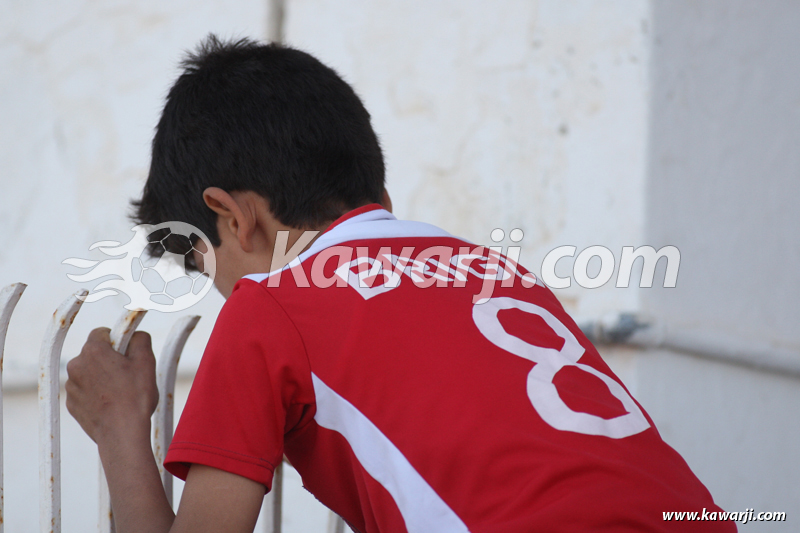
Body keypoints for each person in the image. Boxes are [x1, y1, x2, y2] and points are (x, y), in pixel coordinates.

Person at [65, 35, 735, 533]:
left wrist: (121, 427)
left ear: (235, 220)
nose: (221, 297)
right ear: (376, 196)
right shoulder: (491, 270)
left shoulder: (270, 308)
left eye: (205, 267)